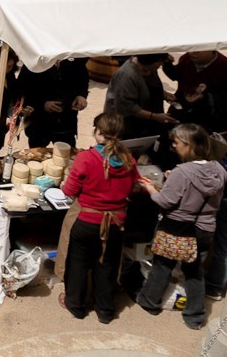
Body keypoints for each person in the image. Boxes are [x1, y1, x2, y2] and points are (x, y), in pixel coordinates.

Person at [137, 124, 227, 330]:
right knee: (194, 271)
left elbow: (165, 201)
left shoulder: (183, 171)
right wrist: (175, 179)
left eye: (177, 143)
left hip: (176, 226)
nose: (174, 146)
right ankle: (194, 316)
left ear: (188, 145)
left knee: (162, 264)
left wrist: (151, 188)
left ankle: (149, 301)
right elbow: (197, 189)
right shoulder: (219, 169)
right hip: (204, 228)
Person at [58, 112, 139, 324]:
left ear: (98, 132)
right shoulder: (128, 159)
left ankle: (76, 305)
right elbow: (133, 187)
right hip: (116, 223)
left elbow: (69, 190)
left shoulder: (86, 158)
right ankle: (105, 310)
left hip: (86, 221)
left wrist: (63, 184)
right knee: (107, 265)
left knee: (78, 263)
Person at [105, 53, 178, 162]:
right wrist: (155, 116)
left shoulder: (150, 68)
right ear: (153, 62)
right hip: (128, 124)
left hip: (147, 122)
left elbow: (149, 86)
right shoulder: (126, 75)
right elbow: (127, 106)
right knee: (128, 157)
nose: (161, 65)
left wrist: (163, 94)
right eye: (160, 62)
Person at [18, 59, 89, 148]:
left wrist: (81, 95)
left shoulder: (74, 58)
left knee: (67, 157)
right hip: (39, 123)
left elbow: (83, 80)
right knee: (36, 157)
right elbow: (22, 89)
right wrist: (42, 104)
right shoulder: (35, 59)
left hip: (66, 121)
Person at [163, 50, 227, 134]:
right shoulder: (187, 58)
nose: (192, 53)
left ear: (211, 50)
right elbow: (176, 75)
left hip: (206, 117)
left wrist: (204, 97)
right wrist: (167, 64)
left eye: (198, 51)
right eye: (191, 50)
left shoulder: (224, 66)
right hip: (181, 109)